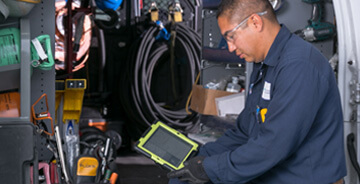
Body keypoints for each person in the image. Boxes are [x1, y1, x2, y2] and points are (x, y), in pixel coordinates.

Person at [167, 0, 347, 183]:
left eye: (231, 36)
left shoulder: (299, 65)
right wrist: (198, 158)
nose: (230, 47)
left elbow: (274, 145)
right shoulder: (265, 65)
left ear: (255, 22)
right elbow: (244, 133)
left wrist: (210, 169)